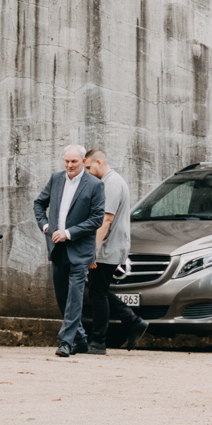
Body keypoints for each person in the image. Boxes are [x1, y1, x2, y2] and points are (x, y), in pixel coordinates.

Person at [32, 145, 104, 357]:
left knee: (75, 296)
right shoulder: (56, 178)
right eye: (67, 161)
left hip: (80, 249)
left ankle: (66, 342)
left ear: (83, 162)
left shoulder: (95, 185)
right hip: (57, 247)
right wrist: (46, 227)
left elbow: (96, 219)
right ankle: (80, 338)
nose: (70, 165)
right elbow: (39, 203)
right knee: (62, 296)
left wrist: (69, 233)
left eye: (74, 161)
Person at [81, 148, 146, 354]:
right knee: (99, 290)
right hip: (109, 246)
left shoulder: (112, 183)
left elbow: (106, 220)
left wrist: (93, 249)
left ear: (99, 162)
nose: (88, 172)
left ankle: (99, 340)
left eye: (89, 167)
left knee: (98, 293)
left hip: (108, 247)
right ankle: (132, 321)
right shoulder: (111, 181)